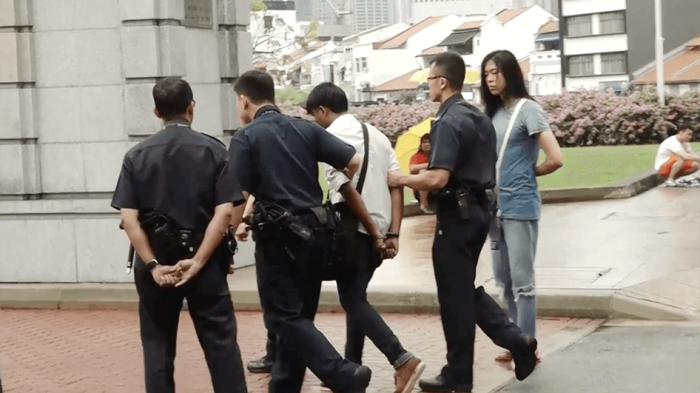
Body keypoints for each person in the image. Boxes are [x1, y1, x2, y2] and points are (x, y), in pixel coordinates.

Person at [387, 52, 538, 392]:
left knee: (454, 296)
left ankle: (504, 347)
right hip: (480, 213)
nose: (427, 85)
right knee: (461, 292)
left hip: (456, 216)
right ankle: (469, 366)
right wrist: (421, 174)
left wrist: (400, 180)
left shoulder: (446, 121)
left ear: (441, 82)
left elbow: (439, 179)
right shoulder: (477, 117)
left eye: (429, 79)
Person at [227, 70, 372, 393]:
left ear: (244, 100)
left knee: (282, 318)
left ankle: (343, 373)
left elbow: (236, 195)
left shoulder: (247, 137)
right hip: (317, 234)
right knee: (300, 319)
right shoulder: (305, 127)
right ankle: (283, 386)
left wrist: (230, 237)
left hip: (279, 238)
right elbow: (353, 161)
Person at [111, 77, 248, 393]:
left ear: (157, 111)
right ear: (191, 108)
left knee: (157, 345)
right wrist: (199, 261)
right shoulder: (214, 150)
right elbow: (224, 213)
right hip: (206, 262)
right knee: (220, 344)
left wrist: (155, 265)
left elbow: (129, 220)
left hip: (156, 264)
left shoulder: (136, 156)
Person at [305, 82, 426, 393]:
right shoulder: (380, 137)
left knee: (353, 300)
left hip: (353, 232)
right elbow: (396, 185)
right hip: (379, 234)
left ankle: (401, 359)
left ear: (323, 110)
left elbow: (344, 188)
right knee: (355, 297)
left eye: (313, 116)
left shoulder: (333, 137)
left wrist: (373, 232)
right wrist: (392, 233)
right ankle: (351, 368)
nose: (314, 123)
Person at [480, 49, 563, 364]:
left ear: (510, 73)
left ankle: (528, 346)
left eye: (495, 73)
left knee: (522, 281)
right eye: (486, 74)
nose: (490, 79)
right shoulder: (491, 114)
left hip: (520, 205)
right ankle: (516, 340)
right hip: (494, 208)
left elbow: (555, 158)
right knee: (503, 280)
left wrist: (530, 174)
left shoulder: (528, 110)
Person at [409, 133, 435, 213]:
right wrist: (429, 165)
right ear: (421, 144)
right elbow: (412, 168)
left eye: (429, 142)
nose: (426, 144)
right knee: (422, 172)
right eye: (424, 142)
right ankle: (424, 204)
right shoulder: (417, 156)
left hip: (436, 184)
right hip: (421, 188)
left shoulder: (437, 155)